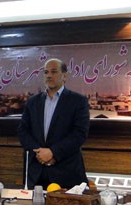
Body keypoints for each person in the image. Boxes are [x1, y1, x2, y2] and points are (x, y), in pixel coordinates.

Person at [17, 58, 90, 189]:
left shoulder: (78, 101)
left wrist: (53, 153)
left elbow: (79, 134)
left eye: (54, 72)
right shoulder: (33, 102)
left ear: (64, 76)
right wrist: (40, 153)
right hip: (36, 173)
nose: (49, 75)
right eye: (46, 72)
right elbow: (23, 131)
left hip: (66, 173)